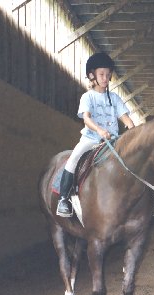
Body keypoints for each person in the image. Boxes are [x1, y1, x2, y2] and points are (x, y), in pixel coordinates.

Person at [57, 52, 135, 217]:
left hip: (113, 141)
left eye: (108, 74)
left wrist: (131, 128)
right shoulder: (88, 97)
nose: (105, 78)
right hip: (91, 139)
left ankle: (145, 197)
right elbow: (86, 118)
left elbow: (126, 118)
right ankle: (63, 198)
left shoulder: (114, 98)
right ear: (92, 75)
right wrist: (99, 130)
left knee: (135, 158)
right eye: (101, 74)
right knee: (74, 158)